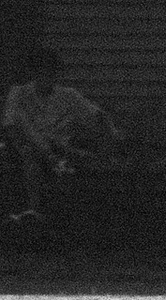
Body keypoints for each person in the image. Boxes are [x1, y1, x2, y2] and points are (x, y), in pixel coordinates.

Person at [2, 49, 120, 221]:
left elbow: (98, 116)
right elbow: (11, 125)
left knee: (56, 152)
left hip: (59, 149)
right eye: (40, 71)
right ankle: (34, 208)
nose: (45, 75)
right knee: (30, 144)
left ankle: (45, 211)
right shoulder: (19, 93)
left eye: (50, 71)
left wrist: (110, 142)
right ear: (33, 72)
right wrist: (23, 148)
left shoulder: (68, 95)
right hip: (25, 149)